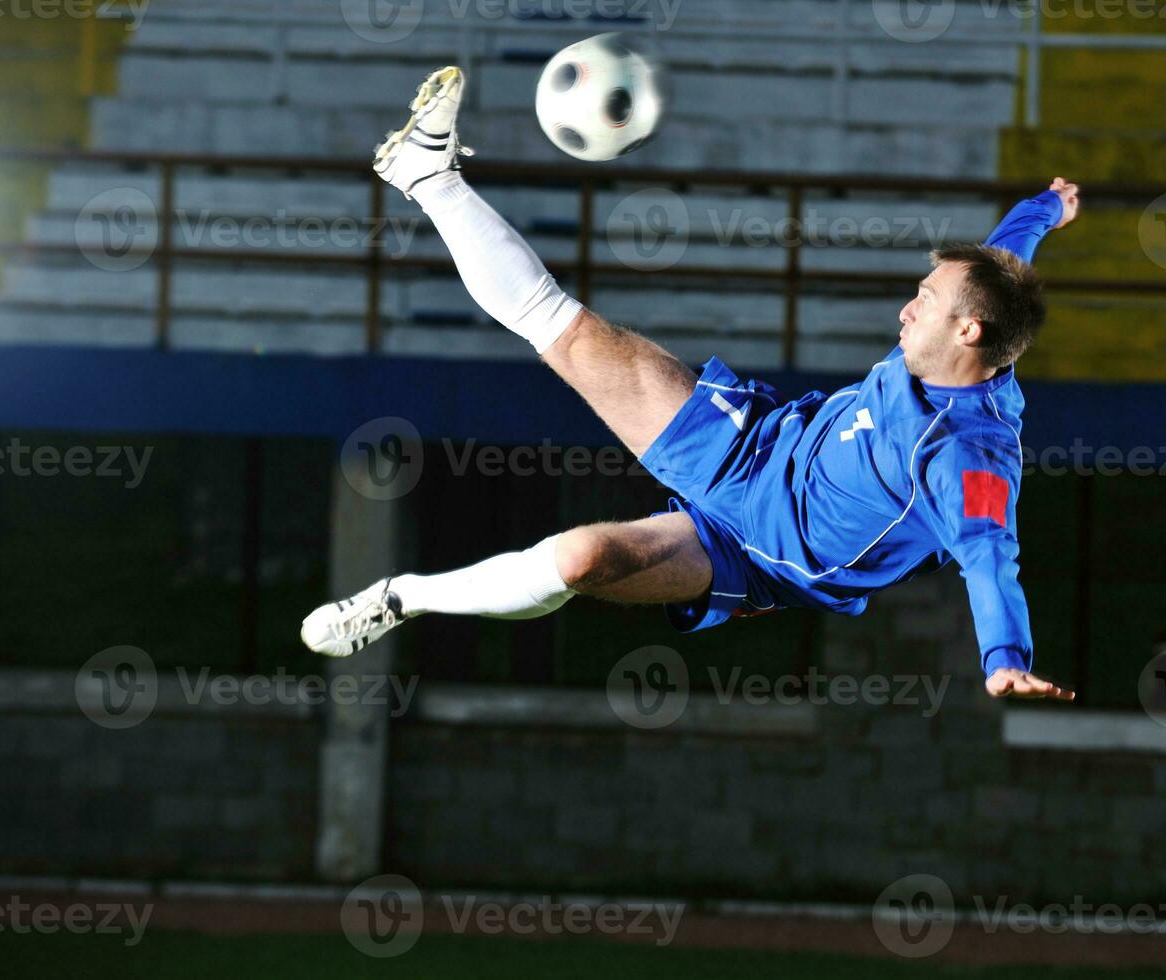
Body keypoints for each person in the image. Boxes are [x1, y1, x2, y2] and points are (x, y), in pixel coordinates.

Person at [301, 67, 1080, 702]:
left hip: (754, 557)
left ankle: (400, 597)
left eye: (928, 301)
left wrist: (1004, 656)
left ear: (968, 334)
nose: (908, 307)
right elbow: (1001, 258)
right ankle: (427, 175)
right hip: (749, 447)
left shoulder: (972, 454)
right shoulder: (964, 327)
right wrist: (1044, 206)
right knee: (565, 331)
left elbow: (989, 551)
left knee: (581, 561)